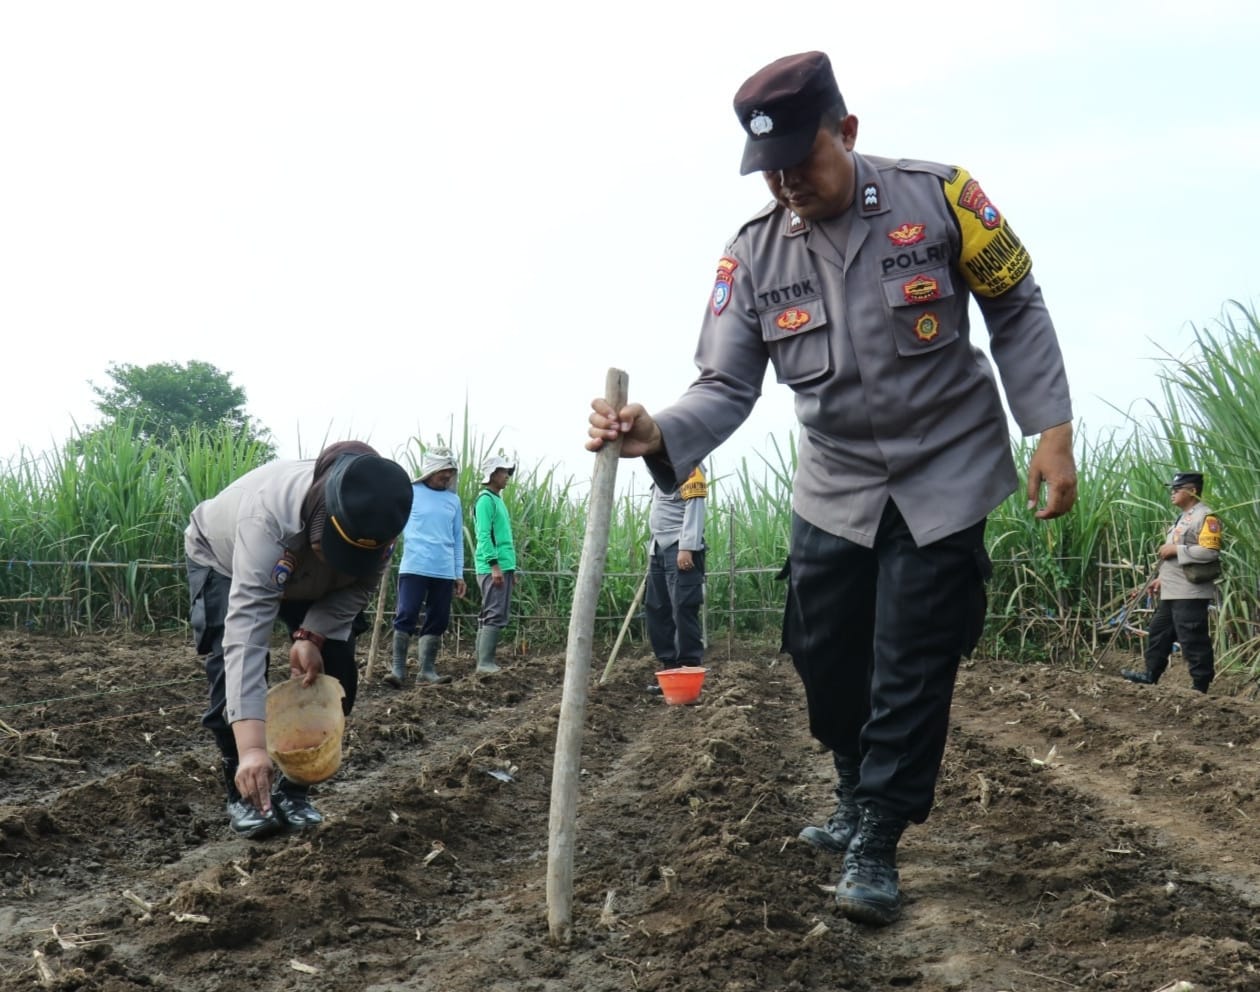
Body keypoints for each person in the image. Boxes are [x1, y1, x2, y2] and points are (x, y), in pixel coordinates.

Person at [586, 51, 1077, 926]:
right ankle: (852, 788)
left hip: (946, 474)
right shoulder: (753, 253)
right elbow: (725, 385)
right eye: (768, 172)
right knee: (824, 652)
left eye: (800, 163)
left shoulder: (944, 197)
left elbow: (1017, 302)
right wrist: (654, 432)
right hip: (837, 485)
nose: (786, 186)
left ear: (846, 134)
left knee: (911, 661)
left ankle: (878, 834)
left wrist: (1053, 430)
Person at [186, 441, 412, 839]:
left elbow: (360, 588)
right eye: (333, 550)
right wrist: (254, 748)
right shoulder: (267, 517)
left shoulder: (381, 521)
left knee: (335, 671)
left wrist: (312, 633)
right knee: (228, 670)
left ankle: (295, 790)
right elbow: (247, 638)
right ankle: (244, 790)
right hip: (224, 559)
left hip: (320, 587)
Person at [1122, 471, 1222, 693]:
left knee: (1192, 638)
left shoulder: (1206, 517)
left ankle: (1200, 685)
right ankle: (1150, 675)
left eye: (1177, 489)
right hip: (1172, 589)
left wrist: (1176, 549)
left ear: (1193, 491)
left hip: (1190, 591)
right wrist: (1160, 578)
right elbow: (1176, 560)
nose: (1172, 493)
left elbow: (1210, 552)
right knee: (1159, 632)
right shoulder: (1183, 517)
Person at [385, 447, 466, 688]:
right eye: (444, 473)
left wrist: (458, 573)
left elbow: (457, 539)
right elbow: (396, 524)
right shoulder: (411, 492)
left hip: (444, 569)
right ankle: (398, 669)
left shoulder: (453, 500)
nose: (447, 478)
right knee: (406, 614)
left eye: (450, 473)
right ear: (431, 472)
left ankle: (427, 671)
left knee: (438, 618)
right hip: (414, 566)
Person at [644, 465, 708, 690]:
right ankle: (669, 672)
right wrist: (653, 551)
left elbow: (695, 509)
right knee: (657, 608)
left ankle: (688, 672)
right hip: (659, 549)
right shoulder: (662, 470)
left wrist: (687, 547)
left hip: (679, 548)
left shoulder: (691, 467)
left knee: (682, 608)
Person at [473, 454, 517, 675]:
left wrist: (511, 568)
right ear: (492, 474)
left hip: (502, 565)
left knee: (491, 611)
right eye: (503, 472)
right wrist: (494, 565)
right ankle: (485, 663)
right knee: (493, 612)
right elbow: (483, 535)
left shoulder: (497, 500)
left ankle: (482, 660)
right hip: (493, 567)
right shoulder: (485, 501)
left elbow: (502, 537)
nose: (507, 476)